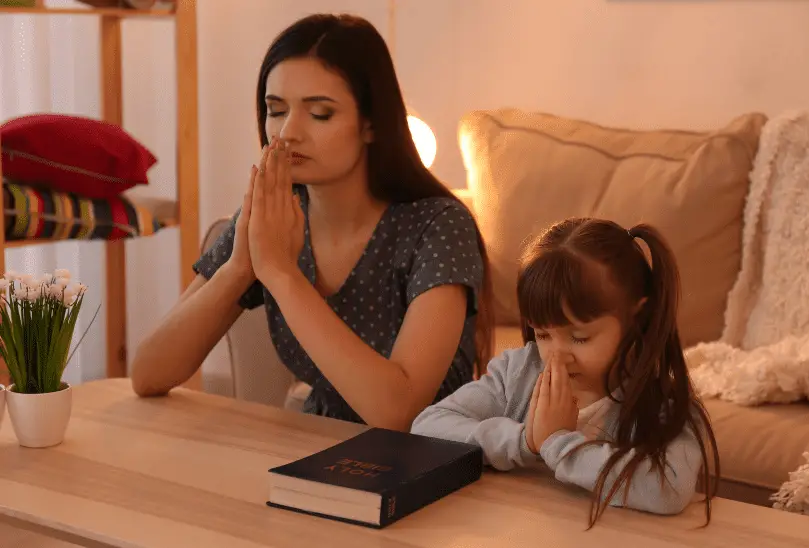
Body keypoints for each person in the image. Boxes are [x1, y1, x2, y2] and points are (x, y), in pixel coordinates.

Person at [129, 13, 495, 431]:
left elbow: (398, 411)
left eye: (320, 113)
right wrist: (240, 268)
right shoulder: (274, 215)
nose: (286, 133)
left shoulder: (439, 226)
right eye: (275, 110)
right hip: (317, 446)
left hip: (431, 458)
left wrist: (282, 274)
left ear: (372, 123)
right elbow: (148, 373)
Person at [411, 218, 720, 526]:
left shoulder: (663, 403)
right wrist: (526, 441)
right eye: (543, 335)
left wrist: (557, 443)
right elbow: (428, 427)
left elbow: (668, 489)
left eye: (580, 337)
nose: (557, 357)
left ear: (637, 318)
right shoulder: (517, 373)